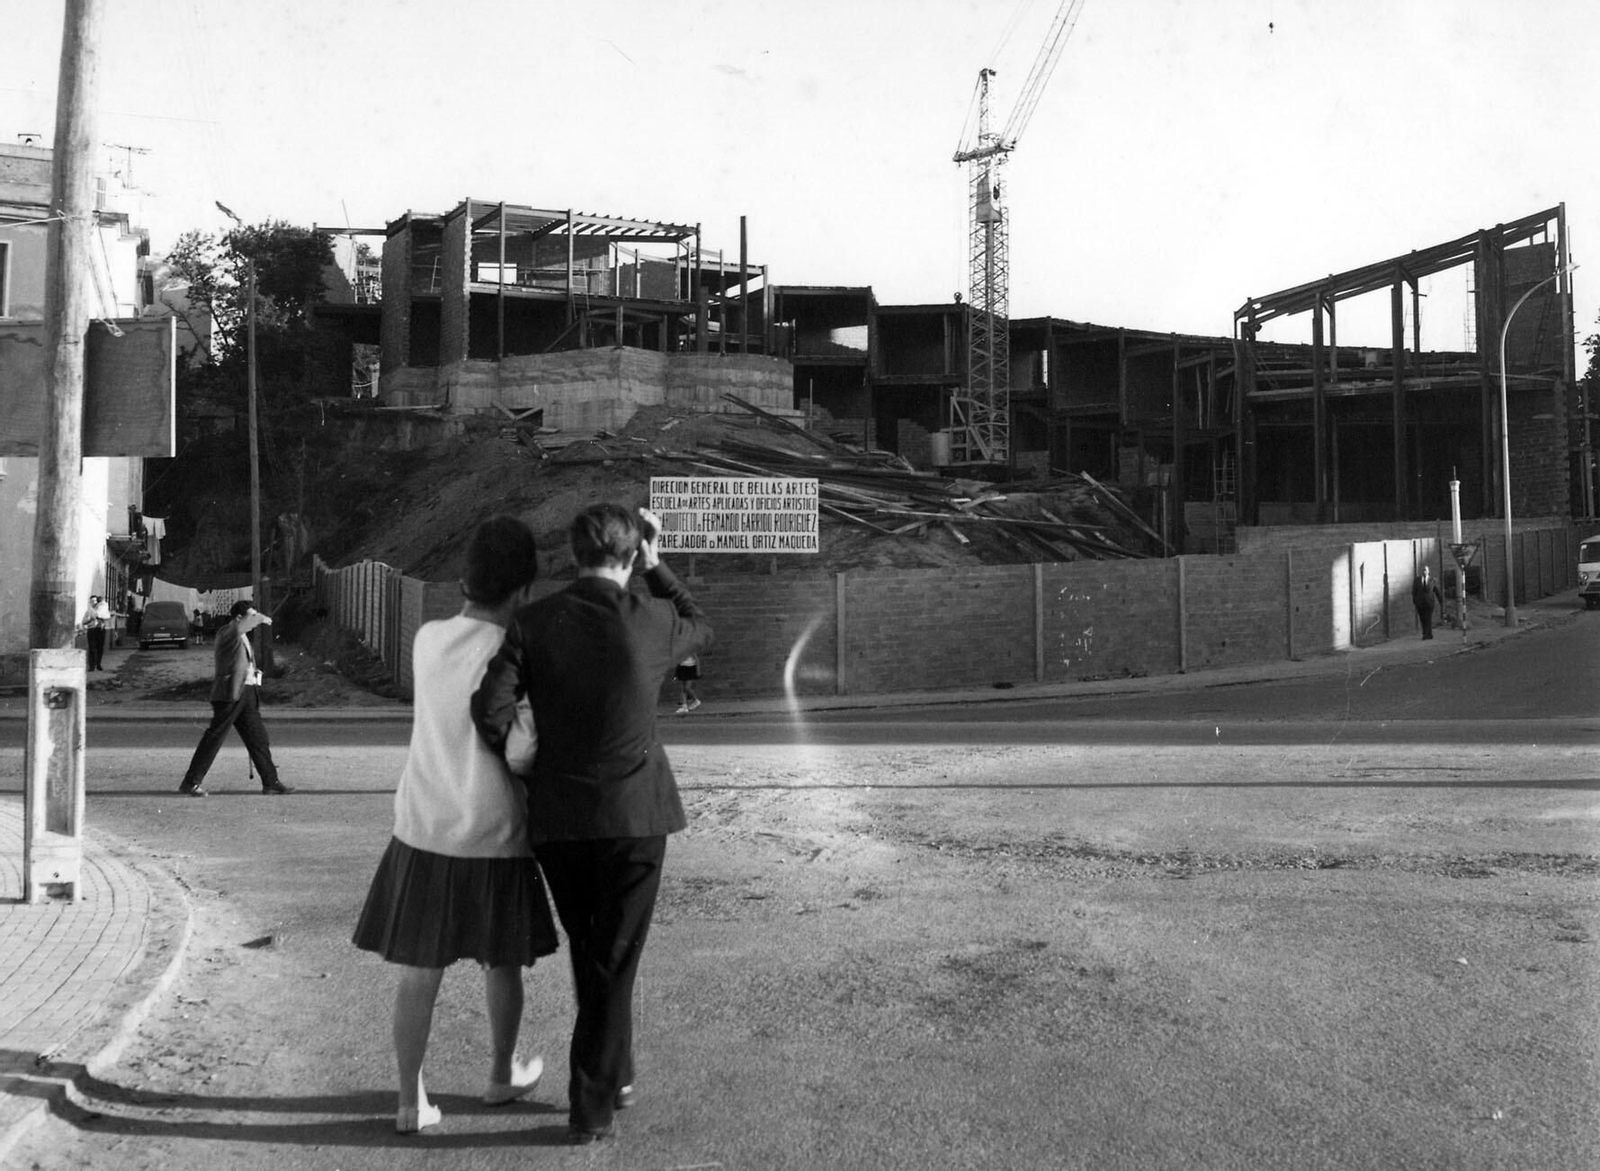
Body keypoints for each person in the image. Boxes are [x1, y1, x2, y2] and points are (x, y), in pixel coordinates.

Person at [472, 503, 712, 1145]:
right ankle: (592, 1103)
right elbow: (700, 624)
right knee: (614, 956)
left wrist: (527, 767)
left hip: (561, 817)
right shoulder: (656, 619)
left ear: (573, 555)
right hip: (637, 815)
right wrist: (659, 567)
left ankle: (619, 1072)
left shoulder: (533, 621)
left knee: (596, 951)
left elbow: (489, 709)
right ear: (631, 557)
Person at [353, 515, 556, 1135]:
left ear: (467, 577)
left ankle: (410, 1100)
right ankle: (501, 1073)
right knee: (503, 964)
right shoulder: (517, 655)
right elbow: (525, 745)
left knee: (421, 972)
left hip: (424, 827)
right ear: (523, 591)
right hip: (498, 831)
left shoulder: (428, 640)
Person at [177, 600, 294, 796]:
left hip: (246, 693)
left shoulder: (242, 635)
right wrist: (262, 618)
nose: (254, 618)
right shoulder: (228, 632)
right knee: (214, 739)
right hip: (229, 693)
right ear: (239, 618)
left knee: (258, 738)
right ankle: (190, 783)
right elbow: (244, 626)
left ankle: (270, 781)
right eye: (251, 615)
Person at [1412, 563, 1444, 640]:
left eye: (1426, 570)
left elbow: (1437, 591)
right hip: (1420, 603)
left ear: (1428, 572)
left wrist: (1441, 601)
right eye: (1423, 570)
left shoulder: (1432, 580)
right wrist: (1415, 602)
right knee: (1422, 618)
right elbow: (1414, 592)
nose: (1424, 572)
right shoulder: (1417, 580)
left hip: (1429, 603)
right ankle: (1427, 633)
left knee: (1428, 618)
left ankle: (1427, 634)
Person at [79, 595, 111, 671]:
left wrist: (100, 617)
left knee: (100, 648)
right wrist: (90, 620)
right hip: (92, 630)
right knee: (92, 648)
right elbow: (83, 622)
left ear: (97, 602)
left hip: (100, 629)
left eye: (95, 601)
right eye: (91, 601)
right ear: (90, 602)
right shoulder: (89, 611)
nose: (93, 602)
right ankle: (91, 666)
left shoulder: (103, 609)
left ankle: (98, 664)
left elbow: (107, 616)